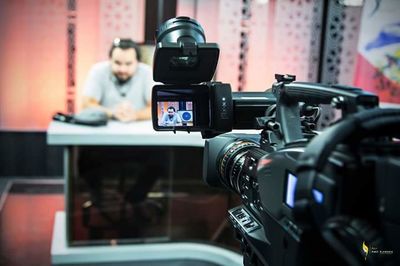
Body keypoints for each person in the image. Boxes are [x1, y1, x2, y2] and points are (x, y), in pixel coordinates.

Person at [82, 38, 153, 122]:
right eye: (117, 63)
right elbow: (86, 105)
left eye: (128, 64)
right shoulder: (98, 70)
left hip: (139, 131)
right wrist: (112, 113)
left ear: (138, 62)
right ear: (110, 60)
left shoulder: (147, 72)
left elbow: (157, 108)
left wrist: (136, 115)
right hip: (103, 130)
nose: (122, 69)